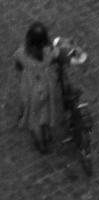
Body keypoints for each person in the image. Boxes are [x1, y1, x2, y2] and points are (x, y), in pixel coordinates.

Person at [14, 22, 60, 152]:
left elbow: (18, 67)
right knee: (46, 110)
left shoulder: (21, 53)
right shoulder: (49, 51)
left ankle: (41, 144)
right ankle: (48, 133)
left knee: (34, 117)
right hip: (46, 85)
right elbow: (57, 56)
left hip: (31, 87)